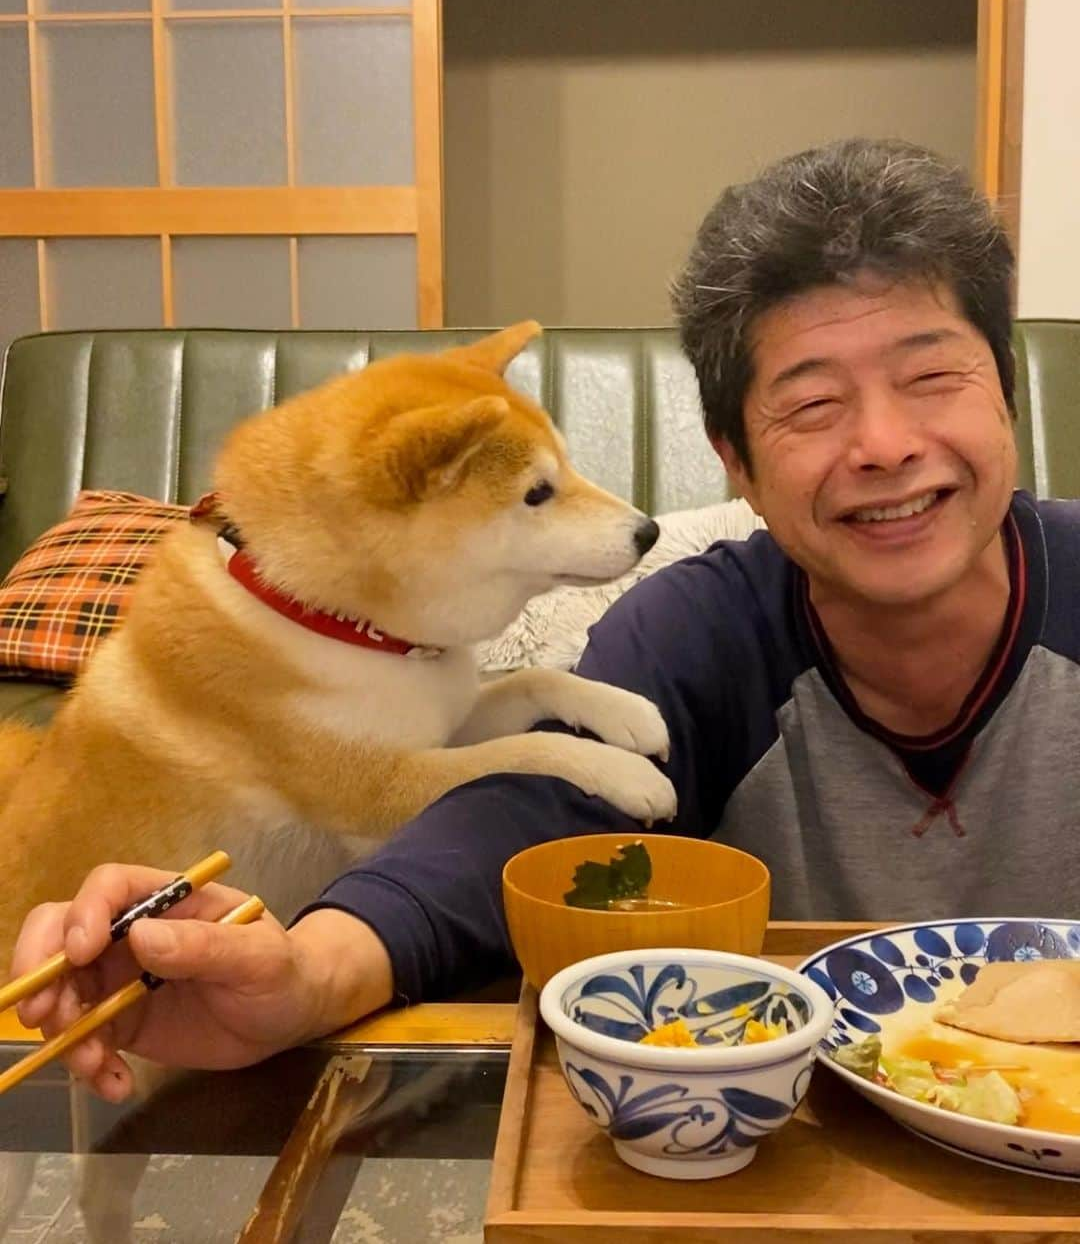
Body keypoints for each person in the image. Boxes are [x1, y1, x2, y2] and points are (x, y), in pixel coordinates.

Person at [13, 137, 1080, 1103]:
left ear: (1007, 399)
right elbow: (514, 821)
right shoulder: (700, 632)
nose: (886, 443)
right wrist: (301, 978)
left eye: (933, 376)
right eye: (813, 404)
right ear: (736, 465)